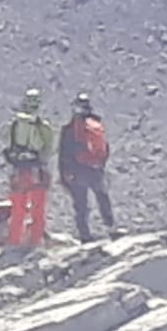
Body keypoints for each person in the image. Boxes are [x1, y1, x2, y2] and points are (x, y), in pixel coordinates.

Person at [58, 92, 118, 241]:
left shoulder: (69, 129)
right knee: (102, 197)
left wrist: (64, 174)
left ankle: (85, 235)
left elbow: (64, 153)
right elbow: (105, 148)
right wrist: (100, 164)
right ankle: (111, 227)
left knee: (81, 204)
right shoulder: (96, 124)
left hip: (77, 171)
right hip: (95, 169)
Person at [1, 88, 56, 248]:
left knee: (17, 209)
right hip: (37, 172)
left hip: (19, 171)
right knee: (38, 210)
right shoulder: (43, 126)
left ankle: (14, 240)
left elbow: (8, 146)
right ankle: (34, 241)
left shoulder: (15, 124)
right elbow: (48, 150)